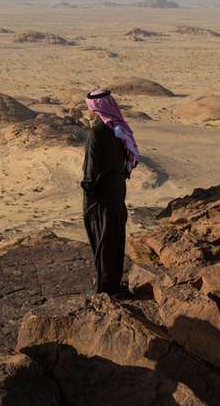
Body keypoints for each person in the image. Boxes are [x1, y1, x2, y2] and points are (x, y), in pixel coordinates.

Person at [81, 89, 139, 295]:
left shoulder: (98, 132)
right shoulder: (119, 129)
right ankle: (112, 282)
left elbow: (91, 169)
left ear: (95, 109)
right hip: (117, 191)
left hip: (101, 195)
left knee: (102, 238)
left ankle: (105, 288)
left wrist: (88, 193)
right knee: (114, 236)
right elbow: (129, 161)